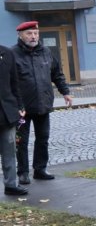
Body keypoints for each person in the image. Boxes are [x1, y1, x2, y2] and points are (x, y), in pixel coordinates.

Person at [11, 21, 73, 184]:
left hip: (43, 104)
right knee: (21, 141)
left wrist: (65, 92)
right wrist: (14, 104)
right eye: (29, 33)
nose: (33, 36)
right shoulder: (12, 54)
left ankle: (40, 169)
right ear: (20, 35)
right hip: (21, 108)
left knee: (43, 138)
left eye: (36, 33)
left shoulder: (46, 52)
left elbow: (57, 74)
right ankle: (23, 172)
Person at [0, 43, 27, 197]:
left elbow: (14, 83)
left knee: (9, 151)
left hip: (6, 112)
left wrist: (20, 104)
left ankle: (11, 184)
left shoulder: (7, 53)